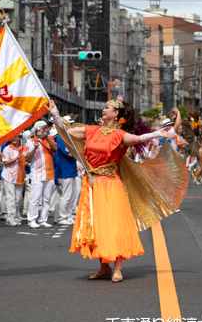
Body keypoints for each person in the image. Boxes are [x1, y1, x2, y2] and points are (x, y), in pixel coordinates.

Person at [50, 99, 175, 283]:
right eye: (104, 106)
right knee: (97, 226)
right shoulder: (92, 130)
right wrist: (55, 114)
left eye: (107, 107)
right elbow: (66, 134)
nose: (103, 109)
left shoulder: (120, 134)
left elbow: (136, 139)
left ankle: (118, 267)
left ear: (116, 113)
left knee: (114, 226)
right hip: (92, 185)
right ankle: (103, 267)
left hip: (111, 184)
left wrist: (156, 133)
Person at [25, 121, 57, 228]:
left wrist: (47, 138)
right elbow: (27, 158)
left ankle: (43, 219)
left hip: (49, 174)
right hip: (37, 174)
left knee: (47, 199)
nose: (45, 130)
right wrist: (35, 148)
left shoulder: (50, 139)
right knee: (35, 198)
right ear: (37, 129)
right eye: (43, 128)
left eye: (46, 128)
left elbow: (55, 148)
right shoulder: (30, 142)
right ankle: (32, 220)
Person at [53, 117, 79, 225]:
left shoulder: (69, 138)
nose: (71, 126)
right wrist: (79, 151)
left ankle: (67, 215)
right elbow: (69, 153)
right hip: (64, 171)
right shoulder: (61, 138)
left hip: (71, 170)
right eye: (69, 124)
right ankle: (61, 217)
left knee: (72, 195)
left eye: (72, 124)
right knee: (66, 196)